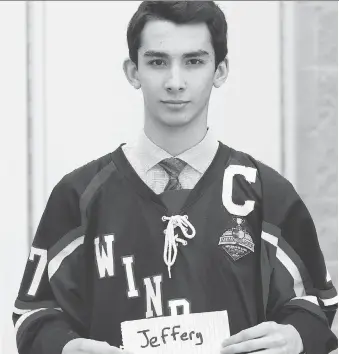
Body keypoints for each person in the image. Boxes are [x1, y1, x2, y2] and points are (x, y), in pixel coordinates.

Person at [13, 1, 338, 354]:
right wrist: (66, 347)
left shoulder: (268, 194)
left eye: (194, 61)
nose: (175, 81)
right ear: (133, 71)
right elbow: (34, 313)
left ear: (221, 70)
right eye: (157, 62)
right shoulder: (78, 195)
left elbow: (315, 306)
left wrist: (296, 338)